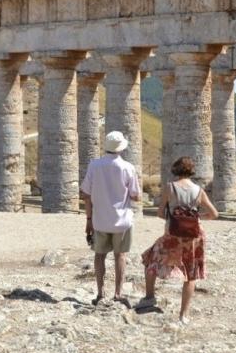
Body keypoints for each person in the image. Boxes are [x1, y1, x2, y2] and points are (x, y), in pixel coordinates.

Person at [138, 156, 218, 324]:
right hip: (194, 235)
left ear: (176, 170)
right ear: (191, 171)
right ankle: (183, 315)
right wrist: (196, 217)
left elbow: (160, 213)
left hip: (173, 234)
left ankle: (149, 297)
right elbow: (214, 214)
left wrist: (174, 217)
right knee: (191, 274)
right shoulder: (198, 190)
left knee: (151, 259)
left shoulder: (170, 188)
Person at [80, 131, 141, 307]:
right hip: (122, 221)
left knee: (99, 256)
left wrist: (88, 219)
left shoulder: (94, 165)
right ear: (121, 148)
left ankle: (100, 293)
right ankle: (118, 293)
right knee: (120, 256)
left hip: (100, 220)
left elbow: (85, 194)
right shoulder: (128, 167)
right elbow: (136, 196)